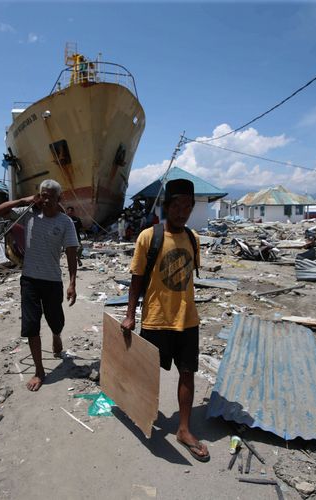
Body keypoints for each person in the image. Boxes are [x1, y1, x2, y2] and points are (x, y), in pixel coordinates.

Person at [120, 179, 210, 463]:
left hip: (187, 319)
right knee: (148, 373)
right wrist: (129, 314)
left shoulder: (194, 239)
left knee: (187, 373)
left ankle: (184, 429)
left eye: (187, 206)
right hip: (156, 319)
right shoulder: (149, 236)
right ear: (167, 206)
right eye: (176, 206)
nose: (182, 212)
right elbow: (136, 279)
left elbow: (189, 278)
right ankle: (143, 411)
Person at [0, 180, 79, 391]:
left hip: (52, 281)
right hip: (29, 279)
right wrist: (24, 200)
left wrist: (72, 283)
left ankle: (57, 335)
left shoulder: (65, 222)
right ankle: (39, 370)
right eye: (43, 195)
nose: (46, 199)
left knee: (55, 320)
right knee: (31, 325)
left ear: (59, 199)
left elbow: (71, 253)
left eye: (51, 196)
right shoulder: (28, 214)